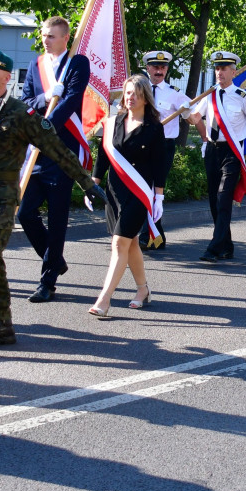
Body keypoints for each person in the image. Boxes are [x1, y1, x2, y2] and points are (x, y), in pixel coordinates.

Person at [0, 49, 102, 355]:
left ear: (6, 78)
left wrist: (86, 182)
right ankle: (2, 327)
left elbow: (56, 148)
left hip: (2, 199)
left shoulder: (21, 114)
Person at [18, 16, 92, 303]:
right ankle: (55, 260)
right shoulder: (36, 66)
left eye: (51, 36)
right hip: (36, 152)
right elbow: (25, 103)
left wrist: (46, 129)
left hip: (62, 151)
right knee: (25, 213)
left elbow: (73, 100)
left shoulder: (77, 63)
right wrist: (47, 96)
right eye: (44, 35)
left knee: (58, 217)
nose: (46, 40)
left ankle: (47, 281)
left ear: (65, 37)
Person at [87, 75, 166, 317]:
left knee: (119, 242)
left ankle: (105, 298)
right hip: (114, 191)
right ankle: (143, 290)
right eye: (128, 92)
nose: (131, 97)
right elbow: (103, 156)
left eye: (136, 94)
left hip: (139, 193)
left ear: (145, 98)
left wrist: (159, 196)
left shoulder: (154, 128)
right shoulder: (113, 123)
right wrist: (93, 185)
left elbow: (160, 164)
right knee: (130, 243)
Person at [187, 51, 246, 263]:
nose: (219, 73)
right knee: (214, 201)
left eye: (224, 69)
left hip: (232, 153)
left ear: (234, 71)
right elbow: (196, 118)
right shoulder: (209, 95)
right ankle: (226, 245)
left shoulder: (243, 97)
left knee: (223, 198)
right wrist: (185, 112)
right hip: (213, 151)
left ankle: (214, 248)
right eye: (217, 68)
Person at [138, 50, 190, 251]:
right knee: (145, 188)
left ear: (167, 69)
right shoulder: (140, 90)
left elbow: (193, 116)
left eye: (163, 67)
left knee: (153, 188)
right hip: (142, 145)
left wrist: (187, 109)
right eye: (155, 67)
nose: (159, 71)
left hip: (164, 147)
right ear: (148, 68)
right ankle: (156, 235)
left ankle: (147, 235)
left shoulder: (175, 93)